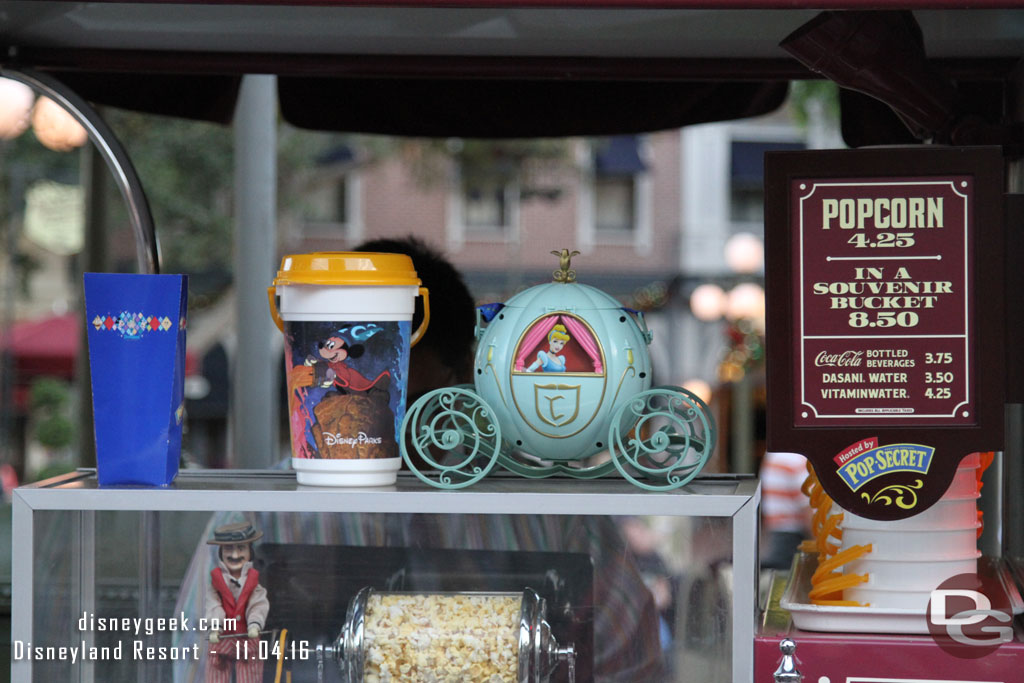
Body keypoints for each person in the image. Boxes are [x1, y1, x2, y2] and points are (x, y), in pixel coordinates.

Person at [204, 522, 269, 683]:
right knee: (216, 671)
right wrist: (215, 627)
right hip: (222, 638)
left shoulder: (254, 583)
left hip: (246, 637)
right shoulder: (216, 582)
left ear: (249, 552)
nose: (235, 555)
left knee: (251, 670)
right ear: (221, 553)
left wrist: (255, 624)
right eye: (228, 549)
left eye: (241, 548)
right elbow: (214, 605)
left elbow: (258, 605)